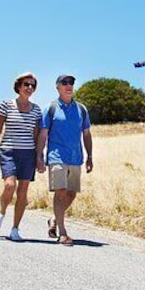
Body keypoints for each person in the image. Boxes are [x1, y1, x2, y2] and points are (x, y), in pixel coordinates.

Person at [36, 74, 93, 246]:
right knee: (60, 192)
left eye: (71, 83)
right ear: (57, 87)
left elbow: (87, 133)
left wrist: (90, 156)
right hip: (56, 157)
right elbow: (43, 134)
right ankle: (63, 232)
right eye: (64, 83)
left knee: (72, 193)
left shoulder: (81, 109)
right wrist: (39, 156)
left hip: (76, 158)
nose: (69, 85)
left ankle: (54, 219)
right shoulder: (50, 108)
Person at [0, 72, 42, 241]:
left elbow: (37, 135)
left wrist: (39, 157)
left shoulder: (37, 110)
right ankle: (1, 212)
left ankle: (15, 229)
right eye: (26, 84)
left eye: (32, 85)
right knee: (10, 185)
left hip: (28, 153)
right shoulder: (6, 105)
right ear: (18, 86)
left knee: (23, 191)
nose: (29, 88)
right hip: (9, 151)